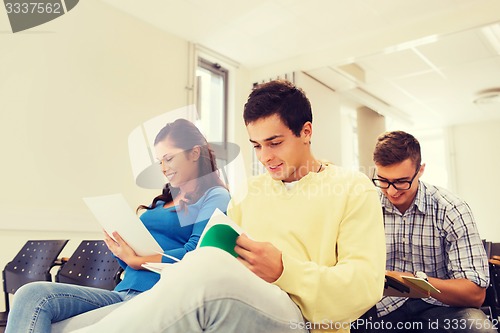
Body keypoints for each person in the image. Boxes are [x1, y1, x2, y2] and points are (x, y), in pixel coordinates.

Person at [70, 79, 386, 333]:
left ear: (306, 132)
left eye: (275, 143)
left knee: (207, 266)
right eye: (257, 146)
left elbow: (365, 287)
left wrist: (284, 271)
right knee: (64, 320)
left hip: (305, 320)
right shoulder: (250, 192)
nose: (265, 157)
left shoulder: (352, 187)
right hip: (235, 301)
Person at [5, 118, 230, 333]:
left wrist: (138, 261)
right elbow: (132, 261)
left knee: (57, 327)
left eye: (169, 158)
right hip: (122, 291)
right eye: (159, 161)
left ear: (194, 152)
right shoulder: (166, 199)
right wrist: (122, 250)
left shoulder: (215, 195)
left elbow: (197, 254)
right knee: (31, 295)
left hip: (156, 297)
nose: (163, 167)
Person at [366, 130, 494, 333]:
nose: (391, 191)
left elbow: (475, 294)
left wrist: (415, 282)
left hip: (442, 308)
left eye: (401, 181)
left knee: (479, 328)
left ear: (420, 170)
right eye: (383, 180)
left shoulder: (451, 209)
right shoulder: (365, 204)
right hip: (382, 309)